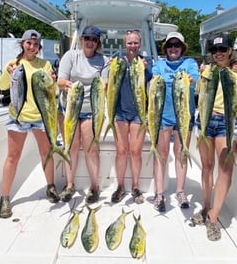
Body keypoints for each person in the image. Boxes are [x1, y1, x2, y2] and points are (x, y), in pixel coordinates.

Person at [191, 33, 237, 241]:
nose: (218, 54)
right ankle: (206, 206)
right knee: (207, 167)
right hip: (205, 121)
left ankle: (214, 217)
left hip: (228, 122)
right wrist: (200, 77)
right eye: (214, 51)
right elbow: (199, 94)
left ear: (230, 50)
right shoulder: (208, 71)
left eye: (222, 50)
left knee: (226, 169)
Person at [0, 29, 60, 218]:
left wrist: (54, 81)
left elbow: (52, 90)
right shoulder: (14, 64)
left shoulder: (45, 64)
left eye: (35, 44)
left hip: (41, 116)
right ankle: (5, 198)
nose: (32, 47)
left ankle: (50, 187)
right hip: (18, 116)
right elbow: (2, 87)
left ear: (39, 47)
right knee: (13, 157)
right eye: (28, 43)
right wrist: (9, 74)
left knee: (46, 153)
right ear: (22, 43)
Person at [57, 25, 109, 203]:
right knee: (70, 147)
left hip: (91, 111)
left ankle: (95, 187)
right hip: (70, 109)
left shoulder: (104, 61)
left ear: (98, 42)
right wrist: (66, 85)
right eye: (87, 38)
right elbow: (60, 80)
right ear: (81, 40)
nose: (90, 42)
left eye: (94, 40)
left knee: (91, 149)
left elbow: (105, 85)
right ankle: (69, 185)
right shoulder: (70, 56)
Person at [152, 32, 199, 212]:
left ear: (182, 48)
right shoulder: (159, 65)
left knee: (181, 153)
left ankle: (180, 191)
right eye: (170, 45)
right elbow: (153, 81)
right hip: (163, 116)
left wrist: (191, 80)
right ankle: (159, 193)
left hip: (184, 115)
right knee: (161, 154)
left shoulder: (190, 64)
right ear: (165, 48)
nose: (173, 48)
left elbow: (195, 79)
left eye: (177, 45)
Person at [111, 29, 152, 204]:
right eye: (129, 42)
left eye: (135, 42)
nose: (132, 46)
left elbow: (151, 80)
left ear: (140, 44)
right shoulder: (119, 62)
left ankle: (135, 187)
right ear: (124, 44)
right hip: (120, 112)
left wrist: (146, 70)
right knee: (121, 151)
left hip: (138, 113)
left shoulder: (146, 61)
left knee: (135, 152)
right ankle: (120, 186)